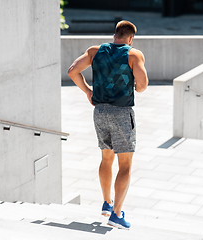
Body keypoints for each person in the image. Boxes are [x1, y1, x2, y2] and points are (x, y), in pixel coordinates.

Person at [67, 20, 148, 229]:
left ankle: (106, 202)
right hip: (122, 113)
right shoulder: (133, 54)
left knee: (106, 157)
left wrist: (87, 91)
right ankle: (116, 214)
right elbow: (143, 84)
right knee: (126, 165)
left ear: (115, 35)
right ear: (130, 38)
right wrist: (135, 87)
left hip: (100, 111)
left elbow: (72, 71)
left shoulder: (95, 51)